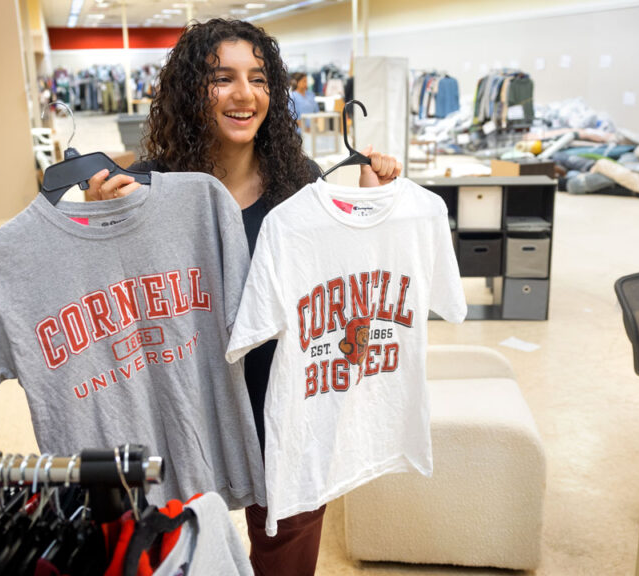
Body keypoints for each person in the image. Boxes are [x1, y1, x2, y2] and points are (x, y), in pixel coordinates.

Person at [84, 18, 401, 576]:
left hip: (282, 400)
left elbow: (340, 293)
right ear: (189, 90)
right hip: (189, 403)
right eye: (221, 78)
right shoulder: (148, 185)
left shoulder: (299, 182)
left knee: (288, 548)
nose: (243, 94)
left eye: (257, 79)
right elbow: (107, 294)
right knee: (176, 547)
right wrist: (97, 221)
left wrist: (371, 210)